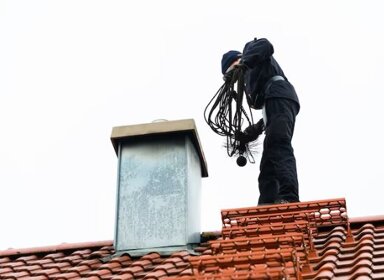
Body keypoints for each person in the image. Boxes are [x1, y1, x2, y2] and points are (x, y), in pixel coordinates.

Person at [221, 37, 300, 205]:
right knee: (268, 164)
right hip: (274, 103)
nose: (233, 79)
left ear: (236, 61)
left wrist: (245, 63)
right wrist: (252, 132)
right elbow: (268, 115)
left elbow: (266, 45)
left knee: (279, 145)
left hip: (279, 94)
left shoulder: (251, 51)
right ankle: (266, 205)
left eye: (231, 72)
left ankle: (289, 197)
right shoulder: (252, 83)